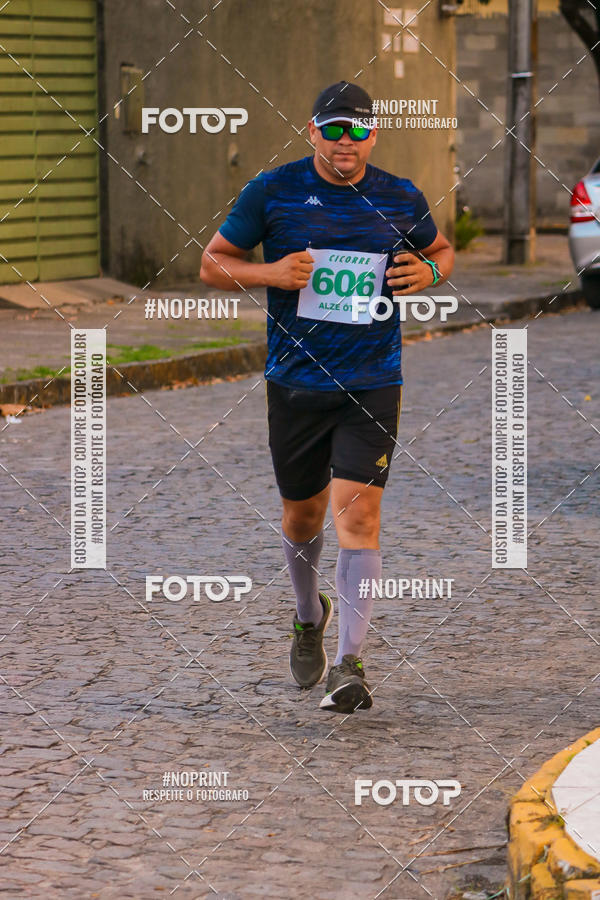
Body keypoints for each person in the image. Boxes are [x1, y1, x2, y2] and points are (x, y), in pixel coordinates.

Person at [200, 80, 454, 714]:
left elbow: (441, 250)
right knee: (302, 518)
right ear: (312, 131)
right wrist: (270, 272)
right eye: (334, 128)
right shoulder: (272, 190)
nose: (347, 140)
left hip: (372, 381)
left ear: (374, 134)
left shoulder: (400, 195)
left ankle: (350, 664)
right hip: (297, 385)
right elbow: (212, 263)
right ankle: (308, 614)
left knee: (358, 519)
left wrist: (429, 271)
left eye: (358, 129)